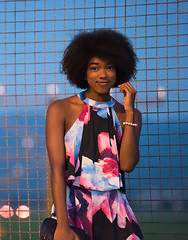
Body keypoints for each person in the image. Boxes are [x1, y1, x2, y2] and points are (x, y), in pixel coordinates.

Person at [45, 29, 143, 240]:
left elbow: (126, 165)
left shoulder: (130, 114)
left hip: (116, 211)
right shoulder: (60, 109)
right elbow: (57, 169)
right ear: (83, 71)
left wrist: (129, 111)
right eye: (95, 67)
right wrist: (62, 225)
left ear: (118, 71)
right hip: (73, 208)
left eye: (109, 67)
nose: (103, 74)